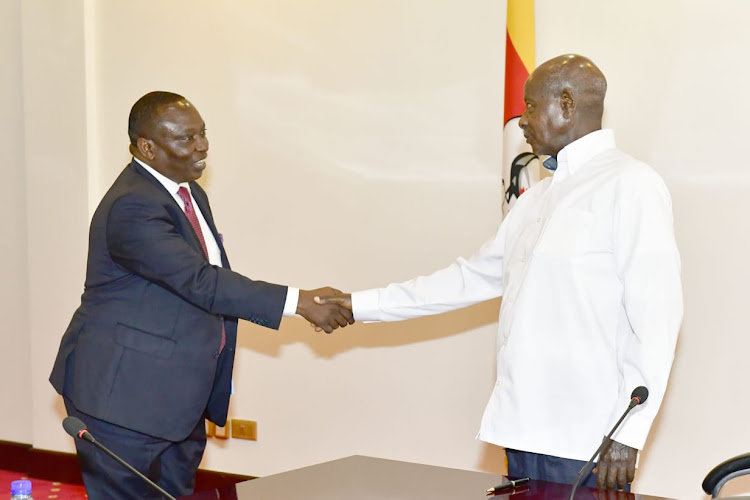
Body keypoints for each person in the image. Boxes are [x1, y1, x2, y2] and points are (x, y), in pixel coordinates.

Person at [316, 54, 682, 491]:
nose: (521, 122)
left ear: (566, 105)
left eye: (530, 107)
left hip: (588, 440)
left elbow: (657, 316)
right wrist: (361, 304)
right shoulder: (536, 198)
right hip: (519, 430)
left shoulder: (631, 184)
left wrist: (630, 429)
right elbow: (468, 278)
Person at [49, 91, 353, 499]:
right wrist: (298, 302)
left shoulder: (187, 193)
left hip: (176, 398)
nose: (202, 145)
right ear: (147, 148)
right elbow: (201, 282)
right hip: (122, 399)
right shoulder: (132, 206)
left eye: (203, 133)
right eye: (186, 138)